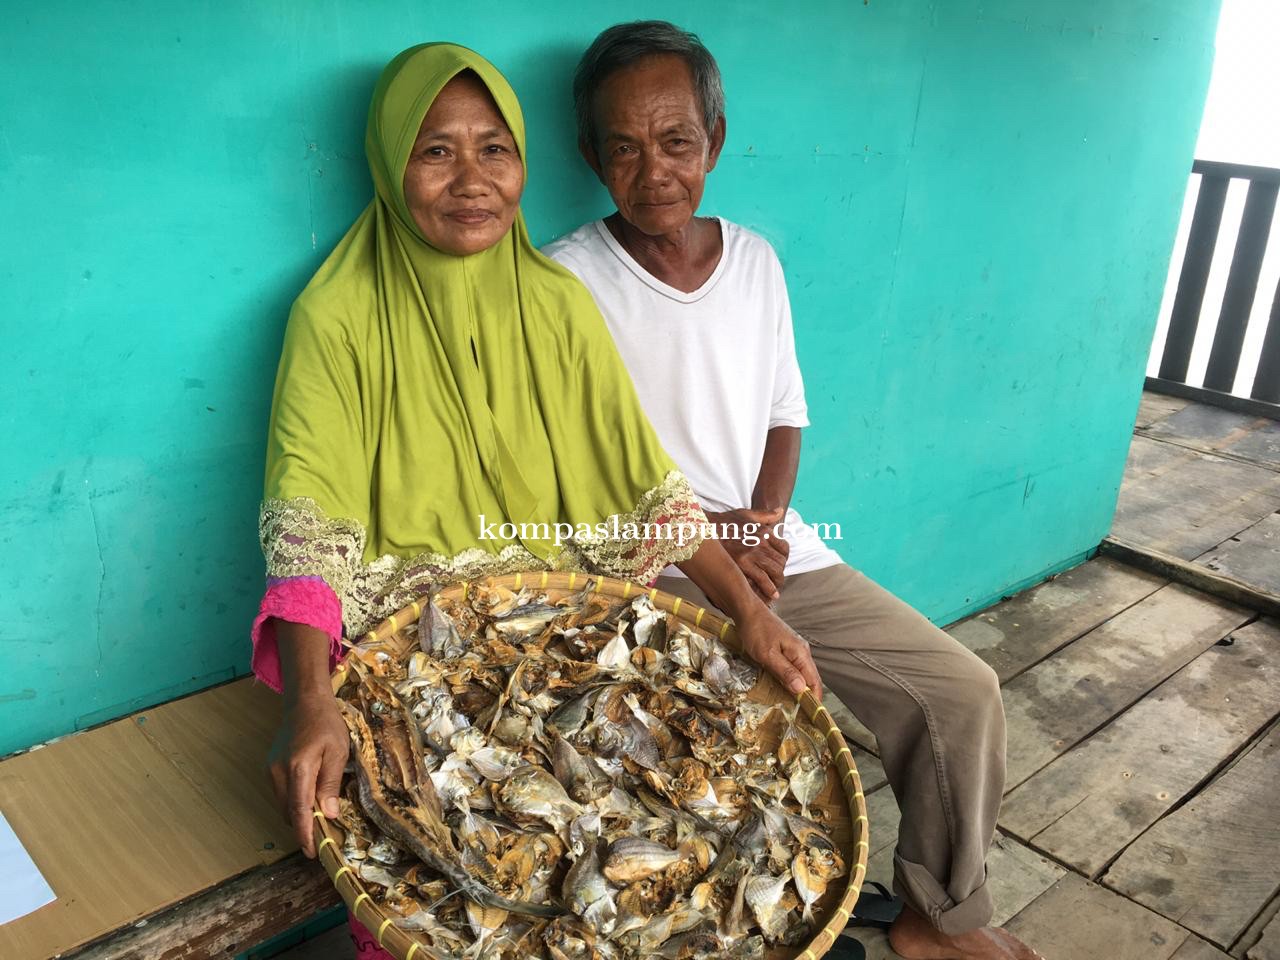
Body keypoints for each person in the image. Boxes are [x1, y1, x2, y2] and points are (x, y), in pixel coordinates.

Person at [250, 42, 821, 959]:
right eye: (435, 151)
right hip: (409, 656)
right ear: (389, 164)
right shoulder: (337, 317)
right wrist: (310, 701)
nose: (471, 181)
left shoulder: (556, 304)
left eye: (495, 150)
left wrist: (749, 612)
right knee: (454, 885)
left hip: (561, 634)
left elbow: (643, 488)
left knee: (669, 840)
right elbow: (308, 534)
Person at [544, 21, 1042, 960]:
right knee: (744, 737)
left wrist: (764, 525)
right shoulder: (565, 282)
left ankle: (939, 915)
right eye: (625, 147)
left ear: (715, 141)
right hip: (649, 564)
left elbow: (784, 413)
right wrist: (719, 540)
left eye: (677, 141)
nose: (655, 171)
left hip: (776, 553)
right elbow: (576, 473)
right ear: (591, 157)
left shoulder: (755, 262)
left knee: (960, 692)